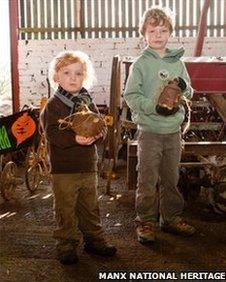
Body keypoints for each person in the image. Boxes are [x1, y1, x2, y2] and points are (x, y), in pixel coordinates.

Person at [124, 7, 196, 244]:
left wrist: (184, 86)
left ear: (170, 32)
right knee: (147, 179)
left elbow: (191, 91)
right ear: (144, 33)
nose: (158, 35)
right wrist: (152, 106)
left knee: (171, 178)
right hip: (150, 132)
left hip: (173, 132)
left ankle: (171, 218)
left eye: (163, 30)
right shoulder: (140, 64)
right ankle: (145, 221)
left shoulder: (178, 62)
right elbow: (131, 95)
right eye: (152, 30)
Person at [41, 50, 117, 264]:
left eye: (78, 73)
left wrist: (99, 134)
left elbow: (99, 124)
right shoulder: (53, 106)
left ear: (85, 77)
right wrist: (75, 139)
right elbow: (53, 134)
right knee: (65, 208)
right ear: (56, 77)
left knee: (89, 206)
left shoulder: (87, 102)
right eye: (67, 73)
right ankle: (66, 244)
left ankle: (95, 240)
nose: (73, 78)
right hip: (64, 169)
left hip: (87, 165)